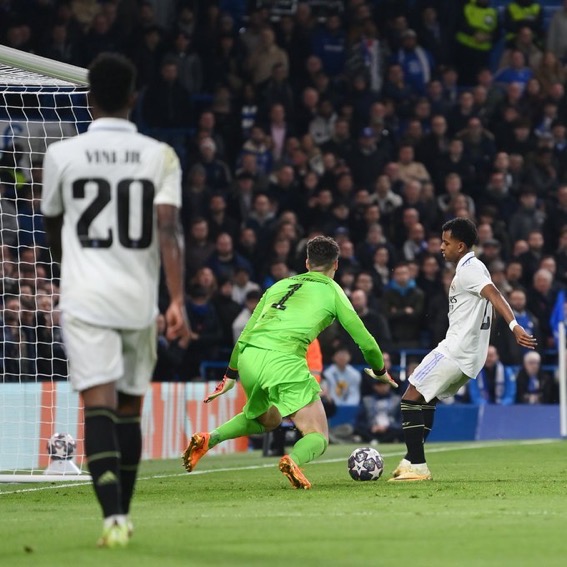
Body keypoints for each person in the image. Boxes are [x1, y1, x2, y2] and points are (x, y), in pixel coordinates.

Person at [41, 53, 190, 547]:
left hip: (85, 299)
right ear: (133, 98)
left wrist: (75, 271)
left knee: (97, 407)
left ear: (88, 98)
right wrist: (177, 301)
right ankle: (124, 512)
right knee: (128, 409)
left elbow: (54, 232)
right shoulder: (160, 154)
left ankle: (113, 521)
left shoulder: (61, 155)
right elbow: (169, 230)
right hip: (136, 300)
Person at [182, 236, 396, 489]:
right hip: (283, 358)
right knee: (318, 434)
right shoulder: (332, 290)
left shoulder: (277, 286)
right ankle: (293, 461)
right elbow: (366, 341)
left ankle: (210, 438)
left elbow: (245, 334)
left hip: (250, 358)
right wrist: (381, 371)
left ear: (307, 262)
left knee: (268, 419)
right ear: (336, 265)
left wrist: (230, 375)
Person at [390, 218, 537, 482]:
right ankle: (411, 459)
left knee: (410, 397)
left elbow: (495, 294)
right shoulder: (473, 269)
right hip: (470, 356)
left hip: (456, 349)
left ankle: (418, 466)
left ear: (460, 246)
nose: (441, 247)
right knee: (427, 399)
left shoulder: (470, 268)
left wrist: (514, 325)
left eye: (445, 242)